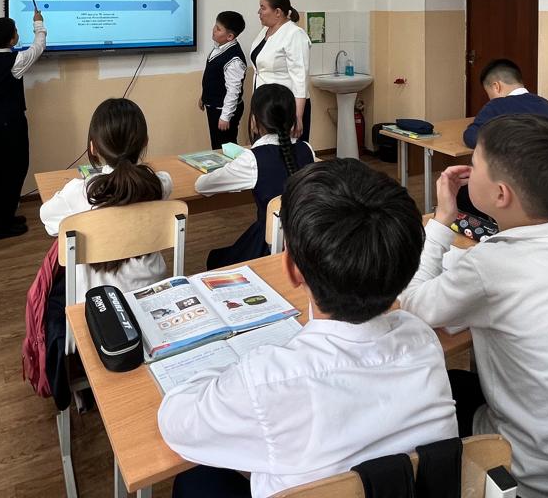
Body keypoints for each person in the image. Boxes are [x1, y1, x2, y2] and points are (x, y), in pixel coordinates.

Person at [158, 158, 458, 498]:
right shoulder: (423, 341)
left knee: (196, 480)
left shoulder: (266, 381)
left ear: (291, 268)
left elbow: (175, 423)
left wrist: (235, 371)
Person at [399, 115, 548, 498]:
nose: (467, 169)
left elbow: (412, 303)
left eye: (474, 163)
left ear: (500, 195)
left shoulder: (490, 267)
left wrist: (443, 219)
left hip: (525, 466)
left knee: (418, 398)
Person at [38, 98, 173, 297]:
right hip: (151, 289)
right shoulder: (161, 184)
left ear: (93, 147)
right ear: (145, 142)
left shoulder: (80, 192)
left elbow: (47, 218)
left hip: (98, 300)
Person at [196, 83, 313, 268]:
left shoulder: (253, 159)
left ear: (254, 121)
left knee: (216, 260)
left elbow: (202, 186)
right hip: (307, 242)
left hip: (269, 246)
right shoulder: (307, 149)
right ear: (293, 120)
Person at [0, 5, 45, 240]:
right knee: (15, 170)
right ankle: (1, 227)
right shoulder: (16, 61)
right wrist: (38, 22)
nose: (18, 34)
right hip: (11, 123)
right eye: (16, 31)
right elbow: (38, 47)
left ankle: (4, 218)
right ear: (10, 39)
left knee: (0, 172)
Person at [249, 0, 311, 141]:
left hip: (286, 107)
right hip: (265, 105)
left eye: (263, 8)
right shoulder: (265, 31)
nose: (259, 12)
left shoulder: (294, 34)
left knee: (287, 152)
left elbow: (300, 78)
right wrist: (255, 111)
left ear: (277, 12)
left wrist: (297, 117)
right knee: (264, 151)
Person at [461, 58, 548, 150]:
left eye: (488, 93)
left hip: (518, 163)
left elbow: (471, 137)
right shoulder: (547, 105)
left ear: (496, 86)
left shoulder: (497, 106)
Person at [198, 10, 247, 150]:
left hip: (224, 110)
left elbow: (233, 90)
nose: (214, 30)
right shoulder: (219, 48)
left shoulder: (234, 60)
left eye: (218, 29)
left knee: (225, 147)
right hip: (214, 106)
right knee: (217, 145)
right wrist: (204, 96)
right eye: (215, 25)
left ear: (230, 36)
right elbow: (213, 78)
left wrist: (225, 116)